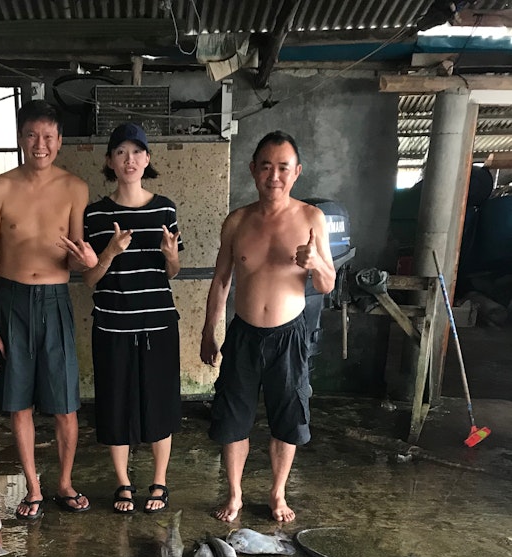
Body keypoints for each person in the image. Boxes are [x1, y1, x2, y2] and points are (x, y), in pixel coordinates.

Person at [200, 130, 335, 524]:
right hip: (243, 334)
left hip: (289, 335)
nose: (274, 176)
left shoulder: (311, 218)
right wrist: (209, 331)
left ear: (297, 172)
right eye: (266, 167)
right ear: (253, 170)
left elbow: (327, 284)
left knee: (287, 420)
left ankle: (278, 494)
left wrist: (316, 262)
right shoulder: (237, 221)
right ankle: (235, 494)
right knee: (233, 419)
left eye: (283, 168)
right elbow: (221, 281)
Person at [0, 99, 98, 520]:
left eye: (48, 136)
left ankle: (64, 483)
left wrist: (87, 260)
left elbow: (77, 258)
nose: (40, 144)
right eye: (32, 135)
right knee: (19, 403)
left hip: (55, 299)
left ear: (60, 141)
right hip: (11, 302)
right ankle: (33, 487)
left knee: (65, 404)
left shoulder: (75, 188)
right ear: (20, 138)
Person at [62, 122, 182, 513]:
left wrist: (171, 255)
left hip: (158, 325)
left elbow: (172, 272)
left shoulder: (165, 208)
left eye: (137, 152)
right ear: (110, 162)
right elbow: (90, 280)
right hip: (112, 325)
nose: (129, 160)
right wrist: (110, 252)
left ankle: (159, 482)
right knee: (115, 406)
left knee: (160, 405)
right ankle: (123, 483)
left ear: (147, 160)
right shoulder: (96, 215)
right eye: (121, 152)